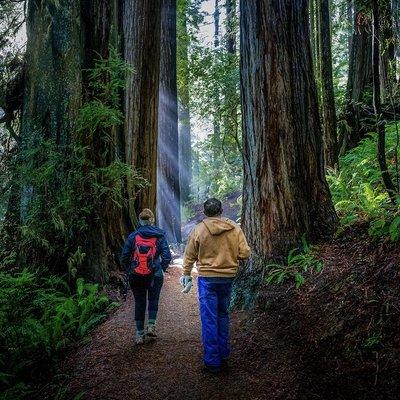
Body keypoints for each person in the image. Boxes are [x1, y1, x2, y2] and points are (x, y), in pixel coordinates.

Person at [180, 198, 251, 373]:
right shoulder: (234, 228)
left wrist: (186, 273)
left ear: (205, 212)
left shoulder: (199, 229)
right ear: (221, 211)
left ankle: (212, 361)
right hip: (227, 278)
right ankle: (224, 354)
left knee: (209, 319)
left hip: (207, 280)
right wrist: (231, 257)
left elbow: (189, 255)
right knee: (223, 315)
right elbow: (245, 253)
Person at [121, 208, 172, 345]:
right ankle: (151, 326)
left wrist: (130, 268)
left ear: (140, 221)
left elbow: (124, 257)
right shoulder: (159, 235)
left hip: (136, 275)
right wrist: (161, 268)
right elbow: (167, 257)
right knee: (153, 299)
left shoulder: (133, 236)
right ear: (152, 220)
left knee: (139, 302)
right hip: (155, 274)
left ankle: (139, 335)